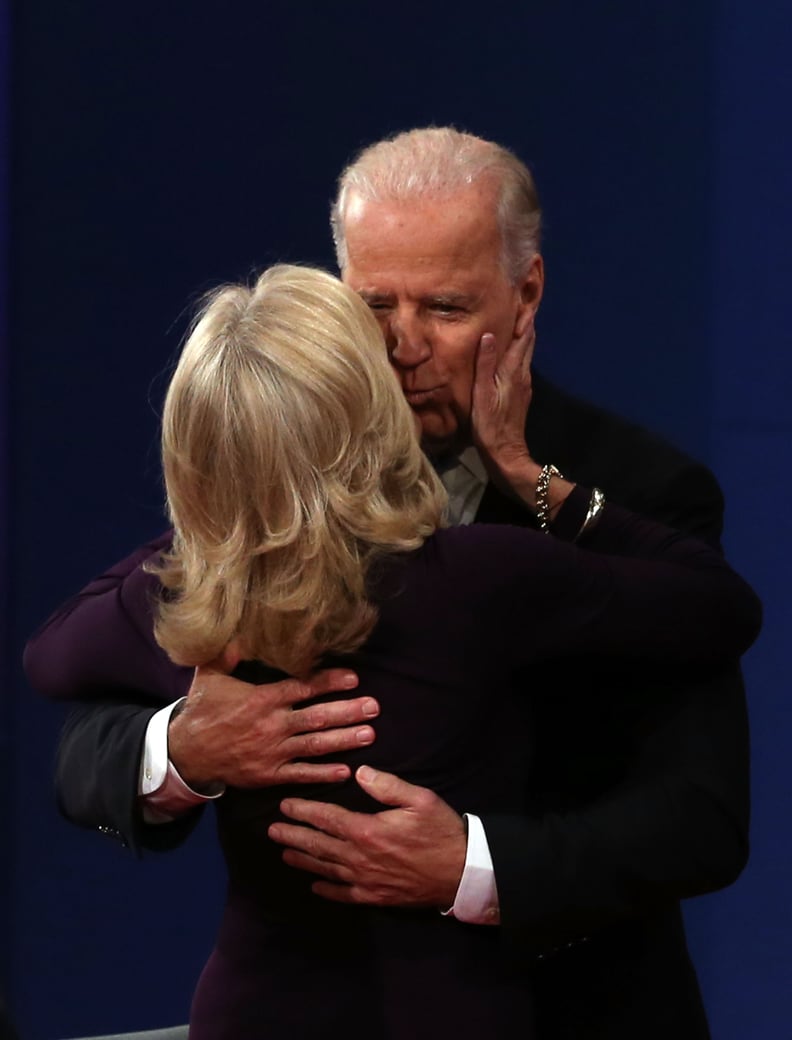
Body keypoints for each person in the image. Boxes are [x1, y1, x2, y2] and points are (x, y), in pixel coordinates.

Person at [24, 128, 752, 1039]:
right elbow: (83, 731)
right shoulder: (279, 484)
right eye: (374, 304)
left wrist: (475, 868)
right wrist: (182, 749)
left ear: (525, 294)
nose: (404, 347)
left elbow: (703, 820)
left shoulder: (638, 494)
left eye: (445, 307)